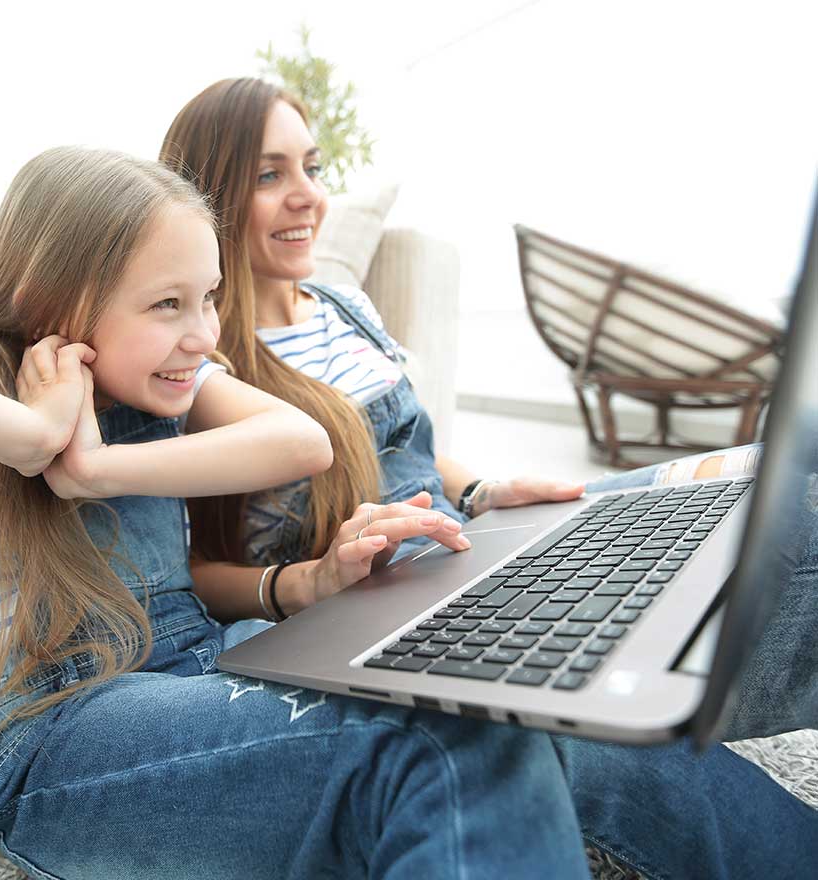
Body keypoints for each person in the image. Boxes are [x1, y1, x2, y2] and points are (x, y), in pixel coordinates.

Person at [0, 148, 611, 878]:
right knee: (441, 745)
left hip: (209, 664)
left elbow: (302, 440)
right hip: (58, 734)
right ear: (51, 301)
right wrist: (27, 433)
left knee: (513, 703)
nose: (206, 333)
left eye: (210, 297)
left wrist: (97, 466)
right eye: (168, 304)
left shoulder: (168, 390)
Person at [159, 77, 818, 878]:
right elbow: (188, 574)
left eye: (312, 166)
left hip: (465, 536)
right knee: (576, 712)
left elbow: (409, 443)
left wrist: (480, 491)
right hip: (373, 600)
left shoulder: (340, 303)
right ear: (212, 196)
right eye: (270, 176)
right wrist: (302, 584)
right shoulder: (196, 363)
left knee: (754, 491)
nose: (309, 198)